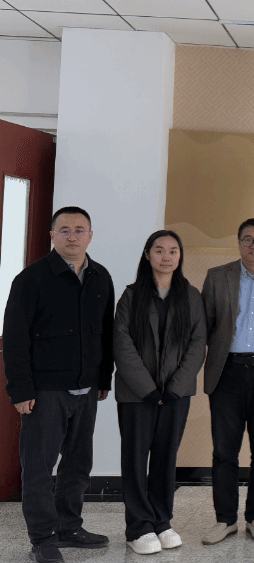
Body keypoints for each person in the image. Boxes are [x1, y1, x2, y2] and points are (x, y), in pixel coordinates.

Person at [3, 206, 114, 563]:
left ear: (90, 236)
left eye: (80, 230)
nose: (72, 236)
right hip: (45, 392)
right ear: (52, 236)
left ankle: (69, 527)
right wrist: (20, 390)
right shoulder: (31, 279)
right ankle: (42, 538)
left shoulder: (101, 277)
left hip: (87, 390)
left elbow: (106, 334)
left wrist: (103, 379)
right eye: (64, 230)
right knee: (39, 466)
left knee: (78, 464)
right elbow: (15, 338)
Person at [113, 230, 206, 554]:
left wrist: (176, 388)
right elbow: (122, 345)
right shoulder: (131, 296)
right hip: (137, 396)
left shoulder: (191, 296)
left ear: (180, 256)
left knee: (166, 458)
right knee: (136, 459)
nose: (166, 256)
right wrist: (148, 390)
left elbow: (198, 343)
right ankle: (138, 527)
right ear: (147, 254)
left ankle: (162, 521)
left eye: (173, 251)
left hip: (176, 395)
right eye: (159, 250)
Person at [200, 219, 254, 546]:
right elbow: (204, 327)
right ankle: (225, 519)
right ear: (239, 243)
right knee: (225, 450)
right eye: (248, 239)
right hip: (227, 371)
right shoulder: (217, 276)